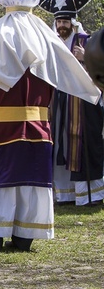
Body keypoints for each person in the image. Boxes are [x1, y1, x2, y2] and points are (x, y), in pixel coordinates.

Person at [0, 0, 101, 251]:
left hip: (0, 124)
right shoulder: (45, 36)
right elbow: (68, 70)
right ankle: (24, 236)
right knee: (29, 177)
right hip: (38, 124)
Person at [50, 13, 104, 206]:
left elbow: (100, 73)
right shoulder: (53, 42)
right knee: (60, 145)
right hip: (59, 101)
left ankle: (90, 195)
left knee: (84, 145)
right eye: (59, 22)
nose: (61, 26)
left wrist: (85, 58)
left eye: (65, 22)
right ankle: (65, 195)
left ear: (73, 24)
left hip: (84, 104)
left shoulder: (86, 42)